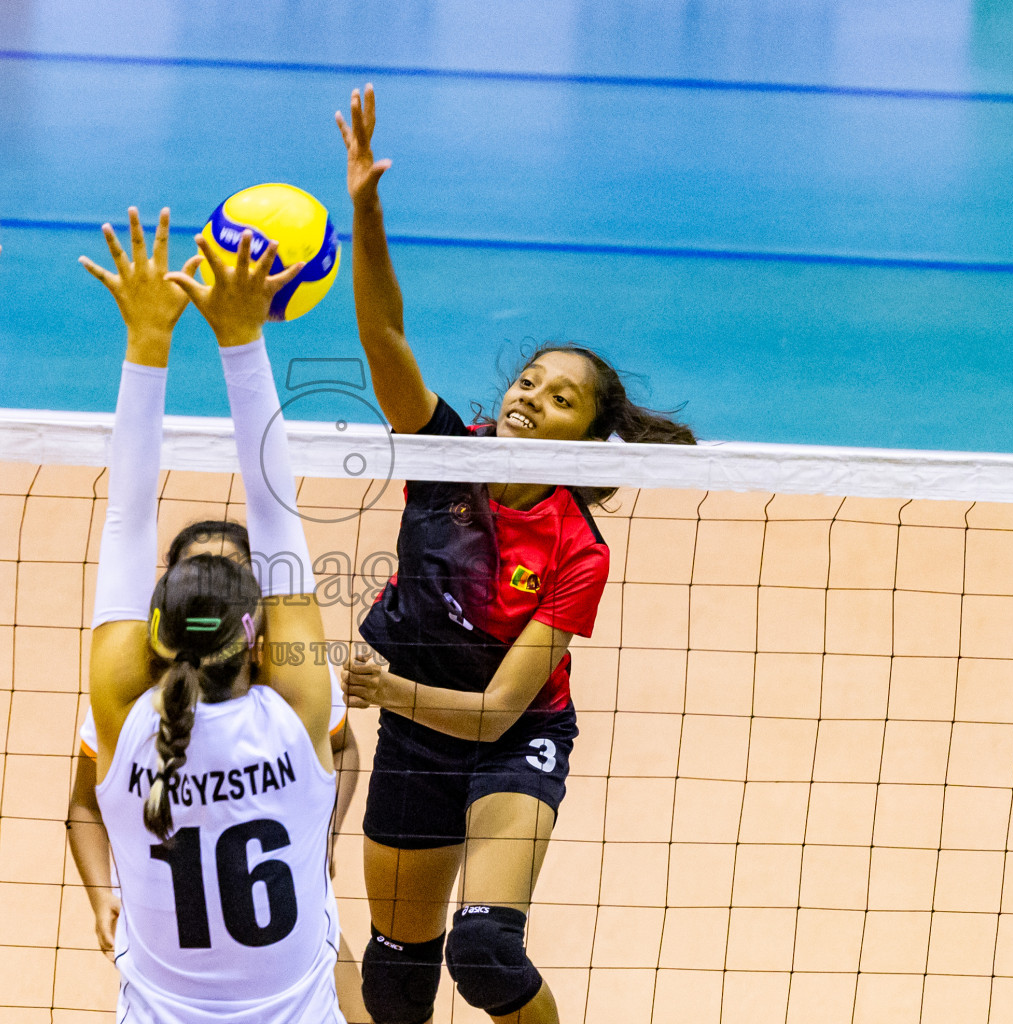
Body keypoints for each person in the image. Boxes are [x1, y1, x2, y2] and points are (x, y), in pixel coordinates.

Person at [334, 85, 695, 1024]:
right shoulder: (447, 457)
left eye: (562, 397)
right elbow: (382, 337)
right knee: (396, 970)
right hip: (417, 727)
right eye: (530, 379)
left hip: (508, 736)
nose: (533, 396)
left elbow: (499, 709)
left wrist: (381, 693)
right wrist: (366, 210)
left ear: (585, 438)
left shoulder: (578, 550)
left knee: (486, 955)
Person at [72, 206, 343, 1023]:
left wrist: (147, 341)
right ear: (256, 639)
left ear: (149, 635)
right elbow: (278, 515)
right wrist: (241, 340)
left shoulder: (122, 716)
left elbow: (126, 522)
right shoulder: (300, 712)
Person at [68, 519, 365, 1019]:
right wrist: (102, 898)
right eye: (196, 575)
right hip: (241, 972)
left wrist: (325, 834)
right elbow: (83, 806)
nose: (212, 588)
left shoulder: (128, 716)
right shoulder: (135, 718)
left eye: (229, 571)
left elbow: (343, 750)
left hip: (281, 921)